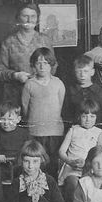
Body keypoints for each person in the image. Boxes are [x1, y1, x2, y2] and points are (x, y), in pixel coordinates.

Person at [0, 3, 55, 104]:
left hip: (40, 93)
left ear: (37, 19)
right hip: (15, 95)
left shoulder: (45, 40)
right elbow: (0, 72)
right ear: (18, 18)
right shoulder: (9, 41)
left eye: (33, 16)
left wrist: (40, 78)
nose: (29, 20)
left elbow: (53, 66)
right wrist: (16, 75)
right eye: (25, 16)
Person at [21, 47, 65, 179]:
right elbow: (25, 107)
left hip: (54, 132)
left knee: (53, 165)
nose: (42, 66)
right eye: (38, 63)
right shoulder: (29, 84)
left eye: (46, 62)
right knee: (37, 164)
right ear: (33, 65)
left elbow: (60, 105)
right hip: (36, 132)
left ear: (51, 65)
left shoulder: (58, 83)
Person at [57, 99, 102, 202]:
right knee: (73, 184)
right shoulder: (73, 130)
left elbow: (100, 155)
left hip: (89, 169)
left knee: (90, 185)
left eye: (92, 116)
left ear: (96, 118)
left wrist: (88, 164)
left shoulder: (98, 132)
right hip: (72, 168)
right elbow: (61, 151)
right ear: (79, 116)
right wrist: (70, 161)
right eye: (85, 116)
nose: (88, 120)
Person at [63, 55, 102, 126]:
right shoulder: (70, 91)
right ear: (74, 72)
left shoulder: (101, 91)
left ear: (92, 72)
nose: (82, 75)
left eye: (85, 71)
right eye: (79, 71)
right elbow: (67, 114)